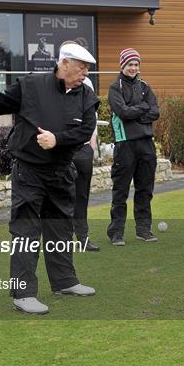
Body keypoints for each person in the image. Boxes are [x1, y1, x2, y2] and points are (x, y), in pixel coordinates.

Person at [0, 42, 100, 315]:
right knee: (26, 232)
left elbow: (86, 130)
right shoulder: (31, 86)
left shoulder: (85, 95)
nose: (86, 72)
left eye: (87, 68)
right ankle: (23, 294)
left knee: (60, 229)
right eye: (81, 67)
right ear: (63, 64)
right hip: (30, 172)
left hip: (61, 172)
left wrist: (56, 139)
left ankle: (64, 281)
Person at [107, 48, 160, 246]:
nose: (133, 68)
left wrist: (136, 113)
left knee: (145, 189)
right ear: (123, 65)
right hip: (125, 145)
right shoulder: (115, 87)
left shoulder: (145, 86)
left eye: (136, 64)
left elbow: (155, 111)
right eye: (130, 64)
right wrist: (141, 110)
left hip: (146, 144)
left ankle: (143, 230)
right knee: (120, 191)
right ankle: (116, 233)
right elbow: (123, 112)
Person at [72, 76, 100, 252]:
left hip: (83, 150)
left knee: (82, 197)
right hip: (61, 150)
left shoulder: (87, 83)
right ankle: (61, 239)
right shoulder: (52, 84)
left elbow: (92, 115)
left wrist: (92, 141)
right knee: (60, 197)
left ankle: (83, 238)